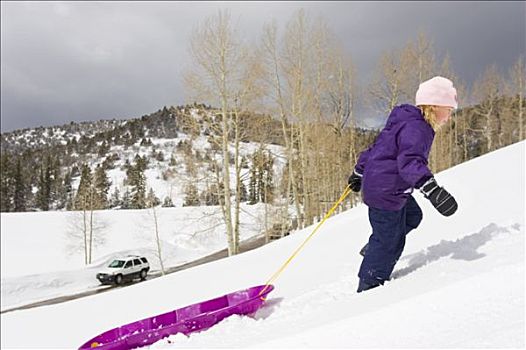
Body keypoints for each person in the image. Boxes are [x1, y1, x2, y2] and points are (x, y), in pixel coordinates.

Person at [348, 76, 459, 293]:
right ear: (434, 106)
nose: (450, 115)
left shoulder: (403, 121)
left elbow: (377, 149)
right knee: (390, 242)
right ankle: (369, 285)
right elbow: (409, 161)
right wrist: (431, 188)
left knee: (412, 216)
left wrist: (358, 172)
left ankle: (375, 246)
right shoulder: (419, 128)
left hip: (387, 186)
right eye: (449, 108)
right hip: (386, 191)